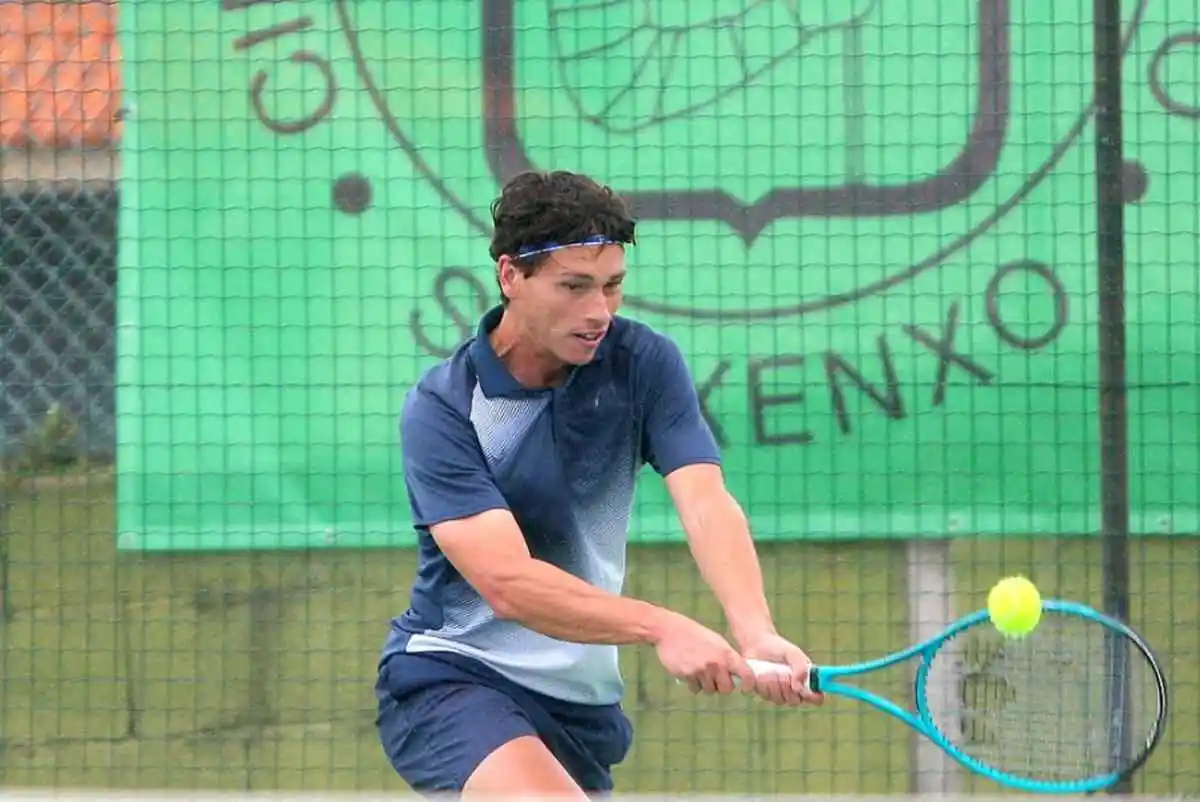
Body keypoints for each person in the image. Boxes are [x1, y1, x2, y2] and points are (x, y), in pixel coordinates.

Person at [375, 169, 823, 799]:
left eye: (612, 286)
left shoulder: (645, 363)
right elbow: (507, 582)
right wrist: (663, 626)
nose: (598, 312)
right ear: (511, 276)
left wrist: (754, 630)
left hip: (579, 710)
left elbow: (706, 502)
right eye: (574, 286)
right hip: (456, 677)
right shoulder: (444, 407)